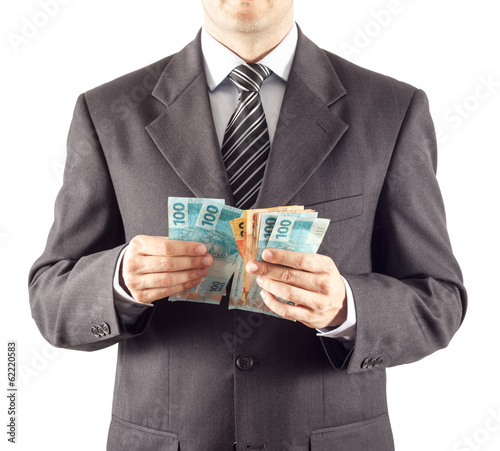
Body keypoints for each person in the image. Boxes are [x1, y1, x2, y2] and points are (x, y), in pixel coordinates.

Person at [28, 1, 467, 450]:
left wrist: (347, 309)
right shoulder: (105, 113)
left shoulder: (392, 110)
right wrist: (118, 281)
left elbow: (440, 300)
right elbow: (50, 299)